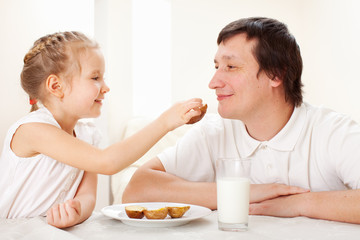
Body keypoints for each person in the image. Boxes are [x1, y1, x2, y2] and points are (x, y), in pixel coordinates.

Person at [123, 17, 360, 224]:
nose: (214, 82)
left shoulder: (331, 130)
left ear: (275, 74)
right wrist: (246, 192)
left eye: (231, 66)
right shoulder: (214, 132)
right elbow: (136, 190)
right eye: (216, 66)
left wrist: (299, 204)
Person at [0, 31, 204, 228]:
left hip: (52, 230)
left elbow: (87, 195)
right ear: (56, 86)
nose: (105, 87)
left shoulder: (88, 135)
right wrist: (165, 122)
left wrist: (77, 210)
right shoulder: (32, 130)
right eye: (95, 78)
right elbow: (107, 162)